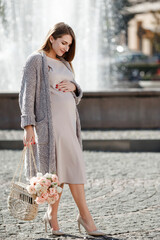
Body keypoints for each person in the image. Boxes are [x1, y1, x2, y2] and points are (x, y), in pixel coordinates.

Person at [19, 22, 105, 236]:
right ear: (52, 38)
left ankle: (61, 215)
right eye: (63, 43)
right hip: (50, 127)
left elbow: (75, 92)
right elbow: (27, 94)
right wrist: (28, 126)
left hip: (69, 125)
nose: (66, 48)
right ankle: (79, 217)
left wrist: (76, 87)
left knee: (70, 169)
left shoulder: (65, 64)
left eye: (69, 45)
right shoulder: (36, 60)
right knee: (56, 174)